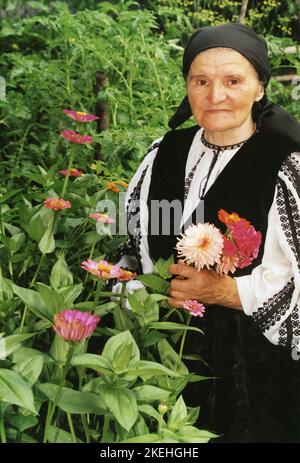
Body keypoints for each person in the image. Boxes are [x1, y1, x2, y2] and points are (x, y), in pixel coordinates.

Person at [117, 23, 300, 442]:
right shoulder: (165, 153)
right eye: (201, 81)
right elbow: (137, 243)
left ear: (259, 88)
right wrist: (136, 287)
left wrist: (224, 291)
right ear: (188, 86)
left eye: (233, 81)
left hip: (253, 378)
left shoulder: (285, 164)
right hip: (163, 362)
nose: (216, 96)